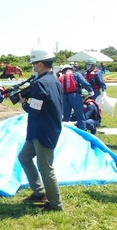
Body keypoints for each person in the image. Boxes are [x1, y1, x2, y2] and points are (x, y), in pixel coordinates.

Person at [17, 46, 63, 212]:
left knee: (45, 168)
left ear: (41, 64)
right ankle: (39, 192)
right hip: (41, 129)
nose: (33, 66)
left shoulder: (41, 84)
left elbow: (35, 110)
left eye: (34, 63)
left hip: (43, 131)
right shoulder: (53, 80)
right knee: (24, 157)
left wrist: (23, 103)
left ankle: (55, 204)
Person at [58, 64, 94, 131]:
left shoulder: (61, 77)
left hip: (64, 97)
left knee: (65, 117)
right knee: (80, 115)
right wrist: (90, 90)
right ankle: (82, 131)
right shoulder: (75, 74)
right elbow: (84, 82)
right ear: (71, 69)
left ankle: (65, 131)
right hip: (74, 96)